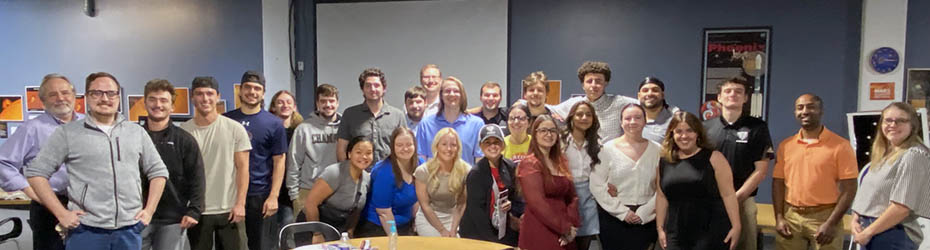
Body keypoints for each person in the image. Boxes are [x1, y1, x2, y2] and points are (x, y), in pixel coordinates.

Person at [25, 72, 169, 250]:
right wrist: (61, 213)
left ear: (118, 96)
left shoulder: (136, 132)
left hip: (130, 230)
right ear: (87, 97)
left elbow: (158, 172)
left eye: (111, 93)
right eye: (97, 93)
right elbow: (36, 174)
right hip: (85, 231)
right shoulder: (68, 133)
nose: (105, 98)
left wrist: (149, 211)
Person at [0, 73, 82, 250]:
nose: (60, 98)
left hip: (87, 207)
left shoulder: (88, 124)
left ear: (74, 96)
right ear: (43, 101)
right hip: (49, 208)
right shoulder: (32, 129)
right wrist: (33, 193)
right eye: (53, 94)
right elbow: (3, 162)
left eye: (65, 93)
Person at [772, 94, 857, 250]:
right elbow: (778, 182)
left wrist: (832, 223)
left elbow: (850, 188)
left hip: (825, 216)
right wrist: (779, 217)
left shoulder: (841, 146)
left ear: (821, 111)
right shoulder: (786, 145)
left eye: (811, 107)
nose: (805, 111)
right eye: (800, 108)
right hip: (791, 216)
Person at [180, 76, 251, 250]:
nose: (205, 99)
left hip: (229, 209)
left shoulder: (235, 129)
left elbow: (243, 169)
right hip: (198, 211)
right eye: (199, 94)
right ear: (192, 97)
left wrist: (240, 204)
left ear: (218, 96)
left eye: (210, 94)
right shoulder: (183, 132)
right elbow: (181, 174)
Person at [703, 77, 772, 250]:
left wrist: (736, 198)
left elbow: (761, 171)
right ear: (719, 97)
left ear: (745, 98)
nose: (733, 94)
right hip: (710, 201)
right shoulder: (705, 127)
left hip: (743, 200)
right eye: (728, 91)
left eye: (738, 91)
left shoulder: (758, 127)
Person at [656, 111, 740, 250]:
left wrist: (736, 226)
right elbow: (661, 196)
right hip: (675, 231)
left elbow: (728, 194)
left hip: (710, 230)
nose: (684, 136)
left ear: (697, 133)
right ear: (672, 134)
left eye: (689, 130)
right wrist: (660, 228)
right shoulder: (665, 161)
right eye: (679, 131)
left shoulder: (714, 157)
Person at [851, 102, 930, 249]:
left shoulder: (914, 156)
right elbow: (870, 193)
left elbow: (902, 207)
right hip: (871, 232)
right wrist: (856, 218)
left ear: (913, 125)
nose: (893, 125)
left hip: (892, 234)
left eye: (901, 120)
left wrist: (868, 232)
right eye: (888, 120)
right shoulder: (885, 154)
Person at [224, 70, 288, 250]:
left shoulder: (274, 123)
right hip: (229, 194)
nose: (252, 92)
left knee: (260, 246)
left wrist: (274, 196)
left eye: (257, 89)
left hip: (260, 195)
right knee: (230, 245)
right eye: (248, 87)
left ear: (263, 93)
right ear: (240, 90)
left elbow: (279, 162)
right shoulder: (227, 120)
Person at [140, 79, 206, 250]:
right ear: (145, 103)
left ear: (172, 107)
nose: (158, 104)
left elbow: (197, 177)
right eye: (153, 99)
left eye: (163, 100)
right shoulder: (133, 137)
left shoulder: (184, 140)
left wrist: (194, 210)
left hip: (173, 218)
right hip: (137, 216)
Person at [591, 104, 660, 250]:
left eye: (638, 117)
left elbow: (663, 187)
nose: (632, 122)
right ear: (621, 122)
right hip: (614, 219)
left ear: (645, 121)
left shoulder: (658, 150)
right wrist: (622, 212)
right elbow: (597, 185)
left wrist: (645, 212)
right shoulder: (607, 149)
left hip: (647, 219)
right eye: (627, 118)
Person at [518, 114, 580, 250]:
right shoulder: (529, 163)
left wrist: (571, 225)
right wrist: (564, 227)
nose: (549, 134)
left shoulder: (561, 161)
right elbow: (537, 203)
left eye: (552, 130)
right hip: (541, 228)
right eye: (543, 130)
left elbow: (572, 197)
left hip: (565, 229)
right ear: (534, 134)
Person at [460, 124, 524, 246]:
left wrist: (510, 204)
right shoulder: (475, 174)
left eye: (496, 142)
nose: (492, 146)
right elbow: (476, 212)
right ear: (481, 146)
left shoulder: (510, 166)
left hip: (502, 227)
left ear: (503, 144)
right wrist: (492, 242)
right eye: (487, 143)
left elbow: (515, 196)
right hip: (477, 232)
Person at [303, 136, 372, 242]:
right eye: (358, 152)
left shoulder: (367, 178)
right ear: (349, 154)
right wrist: (317, 233)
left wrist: (350, 231)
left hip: (338, 231)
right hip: (314, 228)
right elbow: (310, 203)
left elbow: (356, 210)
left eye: (368, 153)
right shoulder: (334, 173)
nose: (364, 156)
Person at [356, 127, 422, 237]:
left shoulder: (420, 165)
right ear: (392, 147)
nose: (405, 149)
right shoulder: (384, 172)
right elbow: (384, 212)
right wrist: (394, 239)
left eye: (409, 144)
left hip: (406, 224)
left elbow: (419, 198)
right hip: (379, 227)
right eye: (399, 145)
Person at [287, 84, 341, 218]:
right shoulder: (303, 129)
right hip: (308, 190)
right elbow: (294, 163)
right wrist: (295, 196)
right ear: (317, 103)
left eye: (331, 101)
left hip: (337, 191)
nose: (328, 105)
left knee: (334, 235)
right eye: (323, 101)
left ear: (337, 103)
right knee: (307, 236)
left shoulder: (345, 127)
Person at [551, 61, 637, 143]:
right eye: (589, 81)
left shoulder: (620, 102)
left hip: (611, 156)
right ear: (583, 85)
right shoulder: (574, 104)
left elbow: (644, 106)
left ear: (606, 83)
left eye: (598, 81)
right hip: (582, 156)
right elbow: (546, 110)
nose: (593, 85)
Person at [337, 68, 406, 164]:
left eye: (377, 85)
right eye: (368, 86)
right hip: (359, 174)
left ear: (384, 88)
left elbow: (404, 148)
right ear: (362, 89)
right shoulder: (350, 114)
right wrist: (348, 175)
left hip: (389, 173)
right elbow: (342, 149)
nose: (373, 89)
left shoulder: (397, 115)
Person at [414, 128, 471, 237]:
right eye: (444, 144)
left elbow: (461, 204)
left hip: (453, 219)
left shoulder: (466, 170)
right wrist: (442, 230)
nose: (448, 149)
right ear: (437, 146)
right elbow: (425, 205)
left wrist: (453, 230)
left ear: (458, 148)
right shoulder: (423, 171)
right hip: (429, 219)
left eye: (453, 145)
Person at [415, 76, 485, 166]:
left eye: (456, 91)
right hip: (433, 179)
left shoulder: (476, 124)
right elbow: (421, 159)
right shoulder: (426, 124)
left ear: (462, 95)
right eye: (447, 91)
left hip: (465, 179)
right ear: (441, 95)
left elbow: (479, 159)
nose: (452, 94)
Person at [561, 101, 601, 250]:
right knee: (565, 243)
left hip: (588, 197)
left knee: (584, 244)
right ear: (571, 117)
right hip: (565, 195)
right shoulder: (560, 141)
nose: (584, 118)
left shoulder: (596, 144)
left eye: (588, 115)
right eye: (579, 114)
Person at [268, 89, 302, 245]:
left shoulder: (301, 129)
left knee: (289, 233)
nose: (284, 105)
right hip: (270, 187)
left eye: (289, 102)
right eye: (280, 102)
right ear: (273, 106)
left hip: (291, 189)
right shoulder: (268, 128)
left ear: (294, 106)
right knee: (270, 235)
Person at [637, 77, 680, 143]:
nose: (650, 94)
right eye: (645, 90)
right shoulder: (631, 120)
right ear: (639, 96)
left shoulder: (675, 121)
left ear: (662, 95)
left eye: (655, 90)